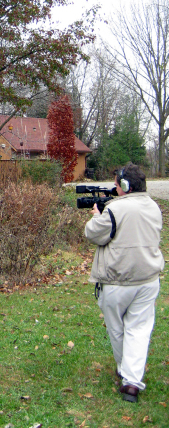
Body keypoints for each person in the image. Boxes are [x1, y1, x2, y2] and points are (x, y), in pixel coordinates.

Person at [85, 162, 164, 403]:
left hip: (117, 281)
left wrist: (97, 216)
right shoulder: (154, 207)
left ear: (126, 186)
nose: (116, 188)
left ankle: (125, 372)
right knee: (139, 330)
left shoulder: (114, 210)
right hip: (148, 279)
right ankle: (132, 381)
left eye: (118, 184)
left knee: (118, 330)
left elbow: (93, 234)